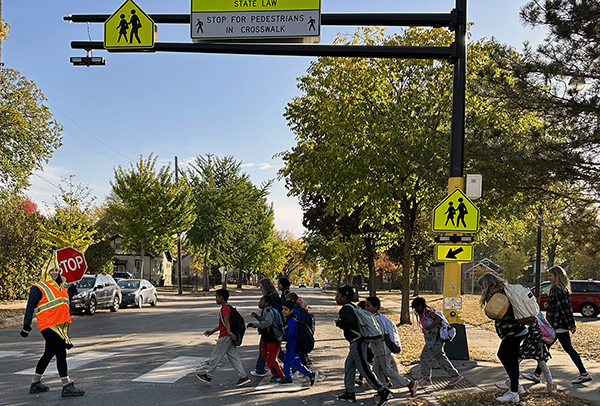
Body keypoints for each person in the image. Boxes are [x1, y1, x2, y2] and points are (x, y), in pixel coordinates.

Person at [21, 255, 85, 397]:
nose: (54, 273)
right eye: (52, 270)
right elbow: (30, 306)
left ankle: (35, 383)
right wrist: (26, 325)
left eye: (56, 270)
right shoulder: (38, 288)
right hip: (48, 325)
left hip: (59, 326)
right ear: (46, 271)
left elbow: (61, 303)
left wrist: (71, 293)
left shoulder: (60, 286)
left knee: (48, 353)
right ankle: (67, 385)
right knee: (61, 352)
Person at [522, 266, 591, 385]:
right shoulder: (557, 289)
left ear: (557, 276)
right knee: (555, 349)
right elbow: (560, 306)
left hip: (557, 325)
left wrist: (571, 324)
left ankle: (537, 374)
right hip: (556, 325)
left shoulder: (559, 290)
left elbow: (566, 309)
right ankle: (583, 373)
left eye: (550, 276)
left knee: (545, 348)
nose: (549, 278)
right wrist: (549, 305)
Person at [335, 285, 392, 405]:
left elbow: (350, 323)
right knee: (349, 366)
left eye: (338, 296)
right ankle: (349, 392)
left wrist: (340, 323)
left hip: (357, 341)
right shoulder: (351, 307)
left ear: (344, 298)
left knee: (363, 368)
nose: (336, 298)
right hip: (356, 341)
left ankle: (382, 391)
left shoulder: (345, 309)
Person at [479, 273, 527, 403]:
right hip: (519, 329)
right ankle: (516, 385)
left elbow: (496, 314)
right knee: (503, 355)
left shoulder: (495, 296)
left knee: (511, 359)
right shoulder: (507, 290)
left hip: (511, 332)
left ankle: (514, 392)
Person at [197, 289, 251, 387]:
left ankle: (208, 375)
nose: (215, 299)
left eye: (216, 297)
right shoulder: (228, 307)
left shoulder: (225, 308)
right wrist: (213, 331)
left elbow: (226, 320)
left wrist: (229, 332)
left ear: (221, 298)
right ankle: (243, 377)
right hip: (228, 336)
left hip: (225, 337)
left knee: (215, 356)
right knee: (234, 357)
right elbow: (223, 324)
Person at [365, 297, 417, 397]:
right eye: (365, 306)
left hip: (382, 349)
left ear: (375, 308)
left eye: (368, 306)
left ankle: (410, 383)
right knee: (376, 370)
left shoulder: (377, 319)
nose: (366, 308)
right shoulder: (374, 317)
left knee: (387, 370)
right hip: (377, 350)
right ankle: (384, 390)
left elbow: (377, 335)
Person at [411, 297, 463, 389]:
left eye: (416, 308)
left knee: (424, 357)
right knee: (440, 358)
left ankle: (426, 379)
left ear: (420, 306)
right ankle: (455, 376)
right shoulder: (424, 313)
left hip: (434, 341)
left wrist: (430, 327)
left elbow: (438, 319)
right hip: (433, 340)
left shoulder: (428, 312)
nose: (415, 310)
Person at [496, 320, 556, 394]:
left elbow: (536, 329)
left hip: (534, 344)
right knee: (540, 364)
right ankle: (551, 385)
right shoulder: (532, 314)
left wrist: (540, 340)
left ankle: (513, 383)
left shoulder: (530, 315)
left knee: (515, 361)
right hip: (531, 344)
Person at [247, 295, 284, 383]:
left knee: (271, 358)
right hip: (267, 337)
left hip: (272, 337)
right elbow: (264, 320)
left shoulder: (268, 310)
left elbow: (268, 323)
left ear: (266, 303)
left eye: (261, 301)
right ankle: (275, 373)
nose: (259, 303)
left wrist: (254, 325)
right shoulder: (266, 311)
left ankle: (279, 375)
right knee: (265, 355)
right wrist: (257, 317)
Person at [250, 278, 282, 377]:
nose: (260, 289)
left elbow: (271, 318)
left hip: (271, 329)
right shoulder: (271, 297)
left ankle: (260, 369)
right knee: (269, 349)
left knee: (266, 348)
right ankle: (260, 369)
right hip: (268, 329)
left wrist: (257, 324)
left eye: (261, 287)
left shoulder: (272, 299)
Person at [280, 300, 315, 385]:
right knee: (287, 361)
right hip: (290, 345)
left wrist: (283, 338)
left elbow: (291, 333)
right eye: (283, 309)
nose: (283, 311)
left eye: (286, 309)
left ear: (291, 310)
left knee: (295, 363)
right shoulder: (289, 319)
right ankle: (287, 377)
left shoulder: (291, 321)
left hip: (295, 346)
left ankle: (310, 374)